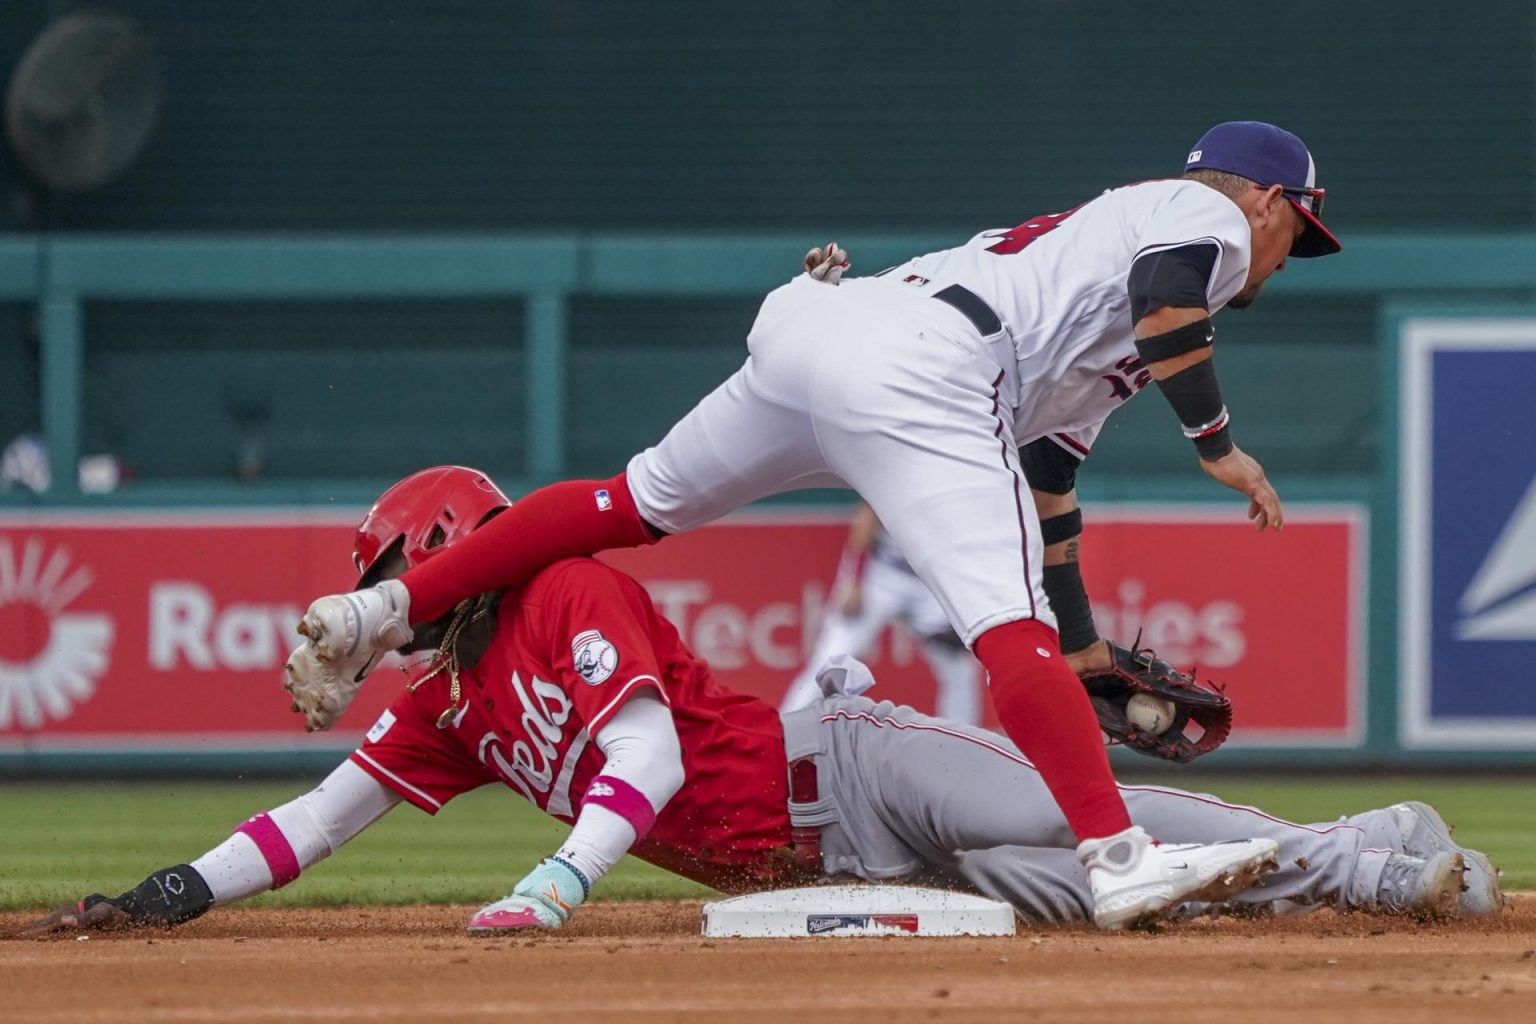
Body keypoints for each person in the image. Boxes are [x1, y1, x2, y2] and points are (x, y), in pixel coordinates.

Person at [284, 121, 1345, 928]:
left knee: (628, 502)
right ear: (1264, 198)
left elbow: (1049, 483)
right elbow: (1171, 291)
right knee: (997, 626)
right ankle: (1118, 856)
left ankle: (381, 609)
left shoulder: (1096, 313)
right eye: (1298, 227)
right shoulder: (1197, 215)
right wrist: (1216, 443)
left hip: (823, 331)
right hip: (930, 363)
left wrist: (1083, 654)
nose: (1290, 254)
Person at [16, 468, 1503, 939]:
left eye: (399, 573)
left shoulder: (561, 596)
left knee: (1095, 821)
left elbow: (647, 750)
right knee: (1090, 899)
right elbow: (316, 821)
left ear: (444, 549)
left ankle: (1378, 863)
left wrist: (555, 880)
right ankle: (1367, 844)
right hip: (828, 872)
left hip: (844, 770)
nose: (390, 602)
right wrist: (168, 896)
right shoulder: (456, 700)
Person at [780, 501, 982, 724]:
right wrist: (854, 580)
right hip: (880, 573)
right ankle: (785, 731)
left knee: (959, 669)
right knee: (834, 660)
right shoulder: (908, 469)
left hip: (928, 583)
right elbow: (867, 516)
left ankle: (961, 742)